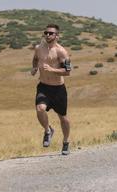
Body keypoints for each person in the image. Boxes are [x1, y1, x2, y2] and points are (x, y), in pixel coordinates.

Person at [31, 24, 71, 155]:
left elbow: (67, 71)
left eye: (50, 33)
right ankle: (48, 130)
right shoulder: (38, 48)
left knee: (63, 118)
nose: (47, 35)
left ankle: (66, 142)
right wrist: (34, 68)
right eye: (46, 33)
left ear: (57, 36)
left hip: (58, 89)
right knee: (40, 109)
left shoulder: (61, 52)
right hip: (43, 86)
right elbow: (36, 59)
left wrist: (52, 69)